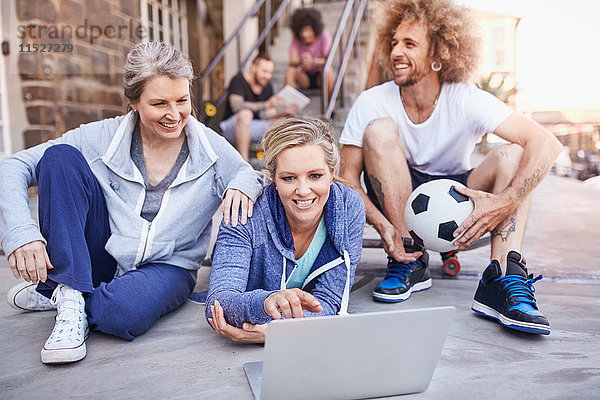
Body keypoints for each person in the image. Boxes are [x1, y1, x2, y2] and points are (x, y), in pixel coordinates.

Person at [1, 42, 266, 364]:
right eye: (159, 103)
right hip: (105, 253)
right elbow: (13, 166)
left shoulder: (211, 148)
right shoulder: (100, 136)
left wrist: (242, 183)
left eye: (182, 100)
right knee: (58, 158)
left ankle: (62, 288)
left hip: (169, 264)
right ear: (133, 103)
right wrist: (21, 232)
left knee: (120, 315)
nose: (174, 114)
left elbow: (250, 173)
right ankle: (69, 297)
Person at [339, 0, 562, 335]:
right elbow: (346, 179)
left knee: (512, 154)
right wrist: (384, 225)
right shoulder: (371, 101)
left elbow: (547, 142)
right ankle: (408, 259)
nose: (397, 51)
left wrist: (504, 201)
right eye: (395, 42)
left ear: (437, 57)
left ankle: (502, 278)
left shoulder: (465, 97)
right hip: (398, 194)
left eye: (410, 44)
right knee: (379, 129)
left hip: (460, 194)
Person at [205, 116, 365, 343]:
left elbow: (331, 301)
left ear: (332, 172)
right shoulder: (245, 209)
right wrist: (267, 302)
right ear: (273, 179)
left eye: (315, 176)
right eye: (289, 178)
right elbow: (219, 302)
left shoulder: (348, 207)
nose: (303, 190)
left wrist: (280, 331)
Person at [219, 54, 298, 161]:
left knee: (280, 122)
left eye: (270, 73)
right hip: (231, 127)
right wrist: (265, 105)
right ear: (253, 68)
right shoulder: (239, 80)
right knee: (245, 114)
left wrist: (284, 112)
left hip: (252, 126)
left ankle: (277, 162)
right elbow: (236, 106)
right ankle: (244, 161)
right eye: (264, 72)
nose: (268, 76)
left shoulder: (267, 86)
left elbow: (268, 115)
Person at [285, 7, 334, 98]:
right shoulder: (296, 39)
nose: (304, 34)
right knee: (290, 71)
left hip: (320, 76)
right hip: (305, 78)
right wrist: (302, 61)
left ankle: (330, 106)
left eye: (307, 30)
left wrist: (312, 61)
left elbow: (328, 61)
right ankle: (289, 106)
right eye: (302, 31)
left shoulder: (324, 36)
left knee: (328, 70)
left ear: (314, 29)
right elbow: (292, 61)